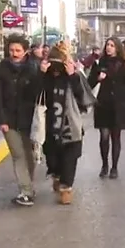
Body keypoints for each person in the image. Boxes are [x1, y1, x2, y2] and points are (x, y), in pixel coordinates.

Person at [0, 34, 43, 206]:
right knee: (18, 154)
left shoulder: (33, 68)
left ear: (25, 51)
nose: (14, 53)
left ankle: (28, 185)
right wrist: (1, 120)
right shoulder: (1, 69)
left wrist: (41, 75)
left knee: (29, 154)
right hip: (9, 119)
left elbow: (38, 92)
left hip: (29, 118)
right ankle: (26, 191)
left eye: (18, 50)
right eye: (11, 50)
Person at [42, 44, 87, 204]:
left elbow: (83, 99)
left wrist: (72, 75)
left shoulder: (73, 76)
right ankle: (56, 175)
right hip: (50, 125)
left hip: (70, 125)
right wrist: (42, 73)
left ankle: (66, 187)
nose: (56, 69)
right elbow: (35, 94)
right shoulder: (46, 77)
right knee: (53, 159)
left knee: (70, 157)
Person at [87, 37, 125, 179]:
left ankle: (114, 167)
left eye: (112, 45)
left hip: (118, 105)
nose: (109, 48)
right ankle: (104, 165)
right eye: (107, 45)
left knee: (116, 137)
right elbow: (89, 83)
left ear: (117, 48)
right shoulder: (99, 63)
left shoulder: (123, 64)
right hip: (103, 104)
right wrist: (98, 79)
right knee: (104, 136)